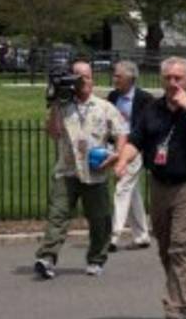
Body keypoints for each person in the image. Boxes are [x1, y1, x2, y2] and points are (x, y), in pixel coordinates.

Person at [114, 57, 186, 319]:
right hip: (160, 184)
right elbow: (136, 140)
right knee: (165, 247)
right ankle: (179, 296)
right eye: (168, 78)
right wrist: (123, 162)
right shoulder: (152, 109)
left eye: (178, 78)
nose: (172, 83)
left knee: (180, 246)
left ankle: (176, 310)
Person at [33, 60, 127, 279]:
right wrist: (55, 102)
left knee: (99, 219)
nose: (82, 81)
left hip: (95, 172)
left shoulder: (104, 107)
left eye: (86, 76)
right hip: (67, 170)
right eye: (77, 76)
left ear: (92, 80)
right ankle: (46, 258)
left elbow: (122, 132)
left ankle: (96, 259)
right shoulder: (63, 106)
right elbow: (54, 132)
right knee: (58, 215)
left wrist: (117, 154)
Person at [107, 60, 153, 251]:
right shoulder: (113, 96)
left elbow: (148, 128)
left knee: (122, 187)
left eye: (118, 76)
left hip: (135, 150)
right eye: (114, 75)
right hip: (115, 147)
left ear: (130, 78)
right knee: (132, 191)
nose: (114, 79)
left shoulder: (145, 99)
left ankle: (113, 236)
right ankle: (141, 235)